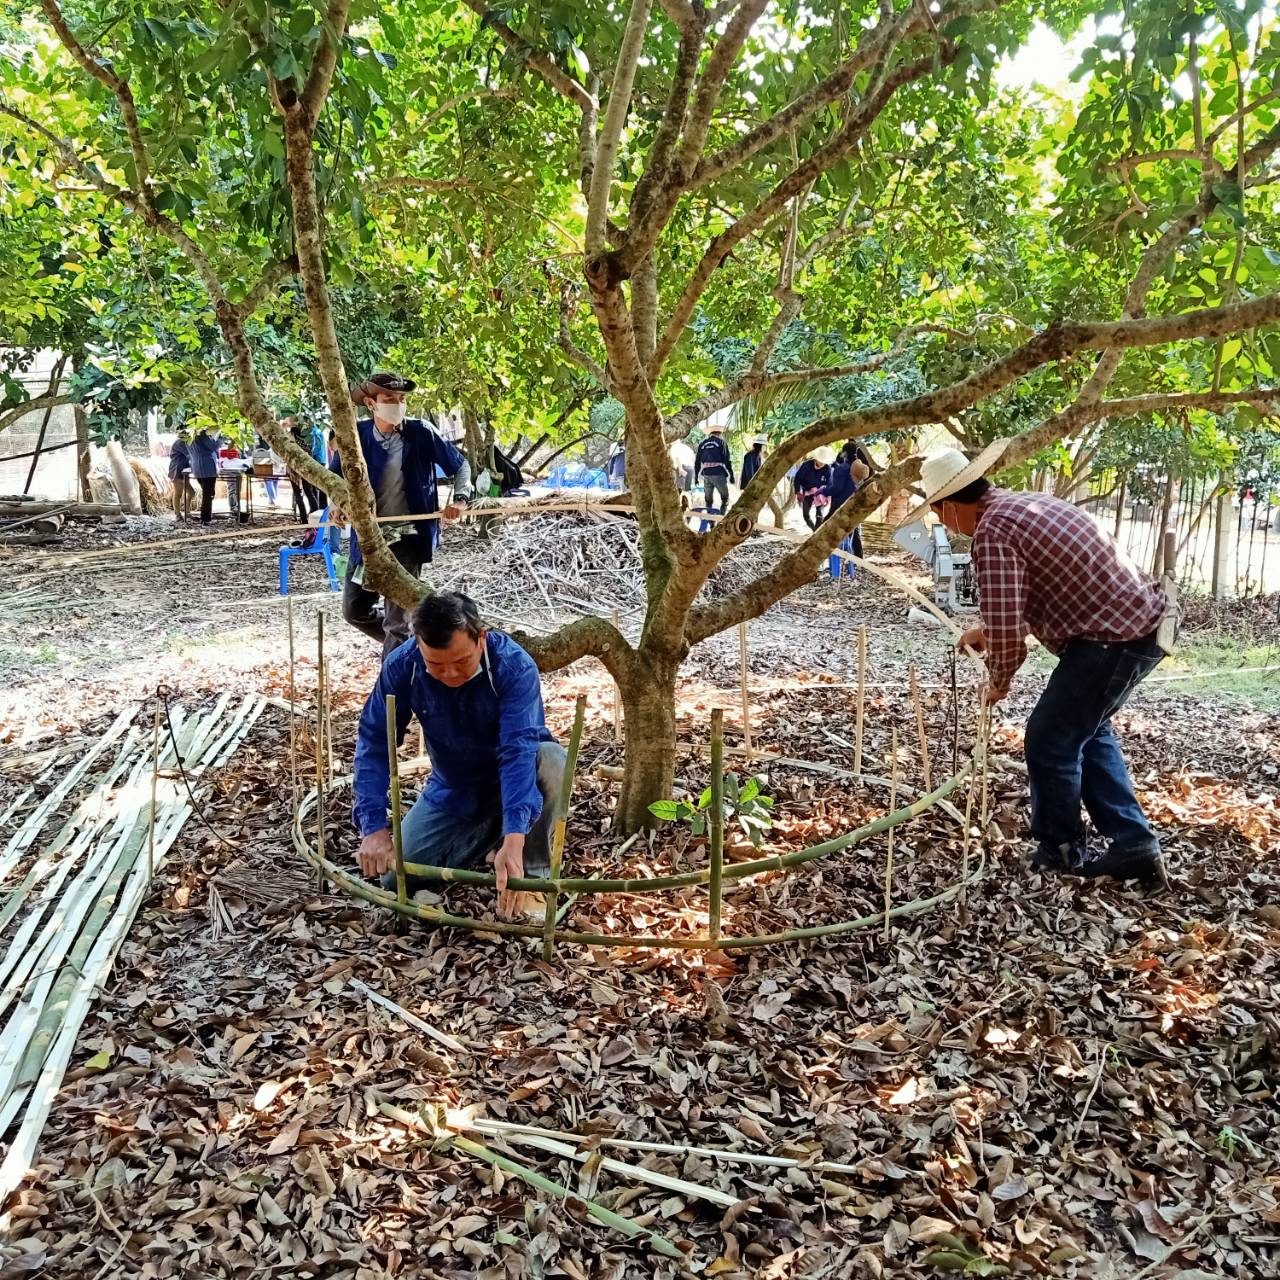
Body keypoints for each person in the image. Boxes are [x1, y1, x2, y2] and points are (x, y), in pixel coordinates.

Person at [918, 442, 1172, 883]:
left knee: (1050, 737)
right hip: (1133, 624)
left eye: (938, 513)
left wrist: (998, 681)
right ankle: (1133, 845)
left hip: (1114, 636)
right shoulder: (1021, 505)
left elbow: (1010, 636)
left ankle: (1060, 848)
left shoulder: (992, 533)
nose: (942, 523)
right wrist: (989, 633)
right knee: (1085, 731)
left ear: (950, 506)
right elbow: (1031, 596)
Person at [352, 592, 567, 920]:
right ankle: (490, 840)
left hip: (517, 780)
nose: (451, 674)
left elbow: (518, 751)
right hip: (453, 789)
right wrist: (374, 828)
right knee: (394, 876)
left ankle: (532, 873)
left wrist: (515, 840)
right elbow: (374, 742)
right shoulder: (403, 666)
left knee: (551, 759)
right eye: (436, 665)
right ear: (418, 644)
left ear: (481, 638)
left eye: (461, 661)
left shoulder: (513, 665)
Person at [332, 371, 473, 655]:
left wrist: (459, 500)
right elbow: (333, 479)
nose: (397, 404)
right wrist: (336, 504)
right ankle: (411, 649)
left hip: (409, 536)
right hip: (368, 536)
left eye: (401, 398)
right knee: (354, 610)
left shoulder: (421, 432)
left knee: (397, 622)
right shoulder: (355, 436)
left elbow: (461, 466)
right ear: (371, 403)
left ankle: (395, 673)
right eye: (389, 398)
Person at [826, 453, 871, 565]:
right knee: (854, 536)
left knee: (851, 535)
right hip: (853, 513)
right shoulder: (862, 483)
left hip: (849, 514)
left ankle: (853, 558)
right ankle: (859, 558)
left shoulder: (853, 486)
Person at [693, 423, 734, 513]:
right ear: (719, 434)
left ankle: (710, 518)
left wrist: (696, 477)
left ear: (710, 434)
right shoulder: (722, 443)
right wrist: (731, 475)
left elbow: (697, 462)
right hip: (718, 473)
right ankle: (721, 516)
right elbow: (727, 460)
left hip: (706, 474)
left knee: (708, 500)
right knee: (725, 498)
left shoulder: (702, 444)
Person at [793, 451, 832, 529]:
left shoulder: (827, 468)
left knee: (819, 516)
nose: (822, 463)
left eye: (824, 461)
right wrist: (798, 492)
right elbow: (797, 479)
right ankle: (814, 530)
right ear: (816, 459)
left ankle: (817, 531)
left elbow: (829, 483)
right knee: (806, 515)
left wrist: (828, 497)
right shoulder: (806, 466)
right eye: (821, 460)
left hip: (820, 493)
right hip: (807, 492)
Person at [189, 428, 220, 525]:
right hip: (207, 468)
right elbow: (213, 446)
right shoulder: (201, 434)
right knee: (208, 494)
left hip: (197, 468)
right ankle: (205, 518)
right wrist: (221, 437)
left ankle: (204, 517)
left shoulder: (188, 434)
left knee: (207, 493)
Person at [168, 431, 195, 521]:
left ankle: (187, 512)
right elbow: (190, 454)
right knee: (178, 492)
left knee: (191, 492)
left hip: (183, 469)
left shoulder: (185, 442)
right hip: (177, 469)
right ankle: (178, 514)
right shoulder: (180, 443)